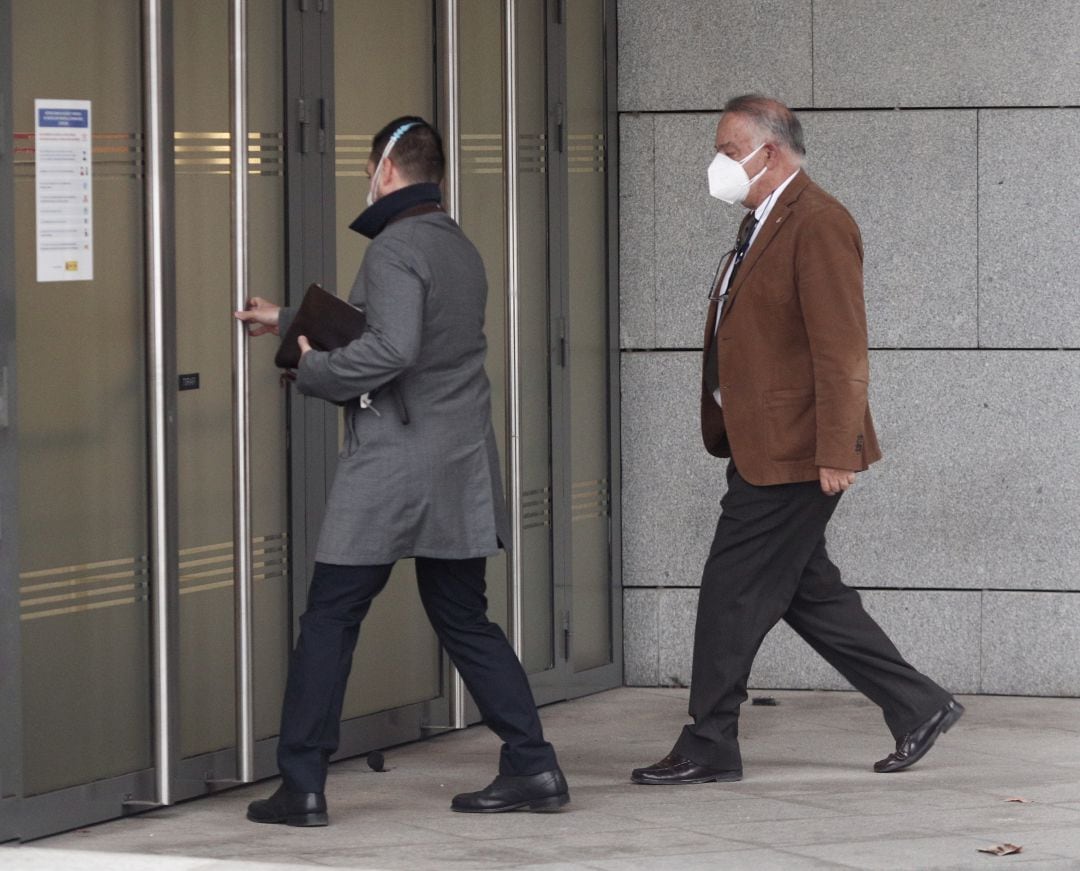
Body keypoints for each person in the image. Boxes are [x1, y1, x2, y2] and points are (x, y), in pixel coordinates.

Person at [236, 116, 568, 824]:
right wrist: (291, 318)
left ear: (383, 169)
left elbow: (391, 349)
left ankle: (302, 782)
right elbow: (406, 329)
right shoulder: (458, 247)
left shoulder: (393, 248)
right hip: (458, 463)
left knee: (330, 614)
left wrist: (311, 364)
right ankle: (534, 764)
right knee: (465, 618)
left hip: (393, 464)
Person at [631, 95, 962, 787]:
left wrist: (837, 448)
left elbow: (841, 348)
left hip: (797, 449)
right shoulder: (764, 223)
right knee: (807, 592)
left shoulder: (818, 222)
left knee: (730, 588)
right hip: (765, 442)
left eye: (728, 149)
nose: (718, 163)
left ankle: (709, 739)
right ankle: (919, 704)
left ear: (770, 151)